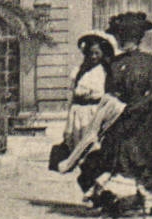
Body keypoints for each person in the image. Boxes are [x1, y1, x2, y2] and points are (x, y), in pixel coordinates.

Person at [93, 12, 152, 218]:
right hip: (122, 118)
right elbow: (110, 91)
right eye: (122, 36)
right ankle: (126, 198)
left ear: (138, 38)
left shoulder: (149, 62)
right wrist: (117, 108)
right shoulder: (115, 64)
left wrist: (134, 108)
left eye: (128, 37)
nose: (124, 40)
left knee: (146, 157)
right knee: (123, 157)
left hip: (143, 120)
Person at [52, 31, 125, 206]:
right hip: (78, 114)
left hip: (95, 114)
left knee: (93, 152)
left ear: (103, 54)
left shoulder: (106, 72)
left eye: (96, 53)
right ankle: (91, 192)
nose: (93, 56)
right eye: (90, 53)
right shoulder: (79, 71)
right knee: (78, 153)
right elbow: (72, 96)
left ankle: (96, 190)